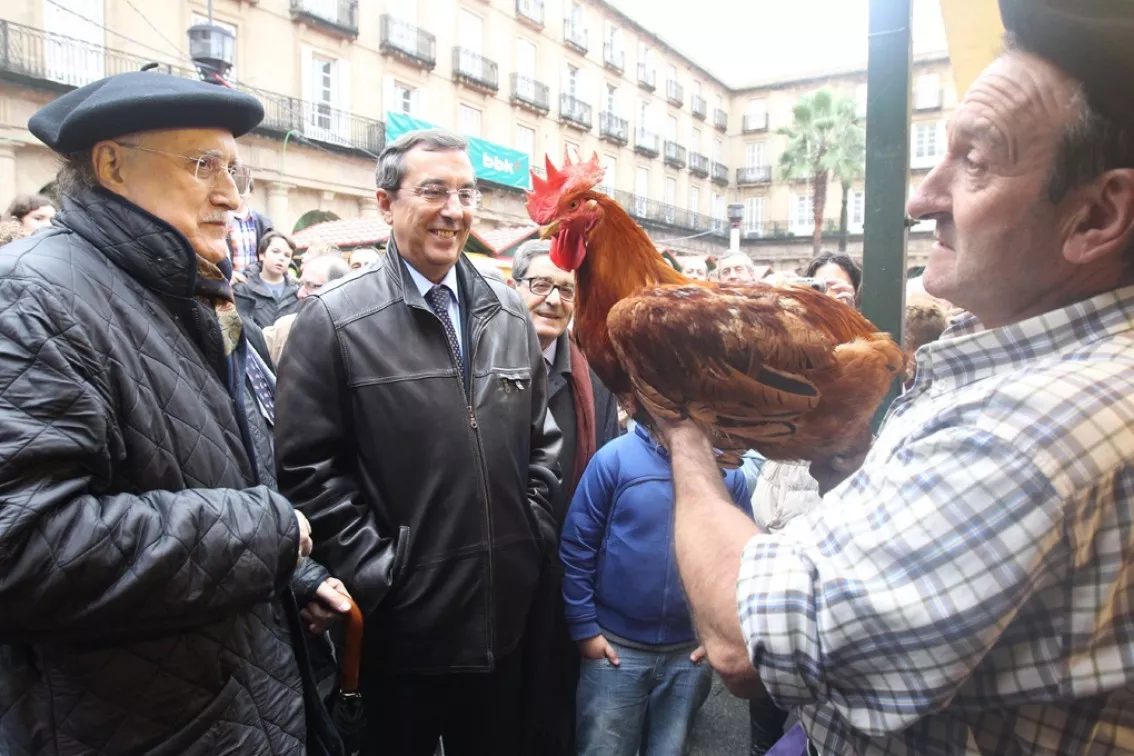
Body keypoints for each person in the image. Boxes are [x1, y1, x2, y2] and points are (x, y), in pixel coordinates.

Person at [654, 1, 1134, 752]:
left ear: (1097, 218)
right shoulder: (1043, 367)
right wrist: (859, 480)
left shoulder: (1034, 428)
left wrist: (680, 427)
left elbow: (745, 642)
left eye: (976, 160)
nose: (922, 197)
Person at [0, 69, 347, 756]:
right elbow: (25, 548)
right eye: (203, 165)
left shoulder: (181, 291)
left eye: (237, 173)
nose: (231, 195)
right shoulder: (34, 296)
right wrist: (270, 535)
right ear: (111, 165)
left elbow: (199, 470)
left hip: (219, 706)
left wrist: (292, 572)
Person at [275, 128, 562, 756]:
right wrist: (382, 573)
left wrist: (529, 535)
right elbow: (306, 468)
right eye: (434, 191)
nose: (454, 211)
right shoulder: (333, 320)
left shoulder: (510, 312)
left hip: (501, 622)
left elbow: (544, 440)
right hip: (398, 632)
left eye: (467, 194)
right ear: (385, 204)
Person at [560, 424, 750, 756]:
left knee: (670, 749)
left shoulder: (727, 475)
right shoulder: (615, 460)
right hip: (616, 649)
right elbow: (578, 547)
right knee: (603, 747)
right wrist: (584, 628)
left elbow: (743, 561)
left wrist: (720, 635)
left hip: (688, 655)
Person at [508, 239, 621, 755]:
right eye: (539, 285)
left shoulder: (593, 378)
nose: (553, 299)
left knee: (554, 705)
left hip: (565, 574)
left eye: (565, 289)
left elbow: (605, 477)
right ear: (515, 289)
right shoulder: (481, 364)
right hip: (502, 570)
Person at [263, 252, 350, 364]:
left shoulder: (357, 339)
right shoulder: (283, 329)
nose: (300, 294)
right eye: (301, 284)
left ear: (338, 288)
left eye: (310, 285)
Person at [234, 230, 302, 328]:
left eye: (287, 255)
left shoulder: (298, 292)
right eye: (275, 252)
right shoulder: (243, 290)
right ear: (262, 254)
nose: (281, 258)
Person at [227, 183, 274, 274]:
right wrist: (227, 274)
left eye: (242, 187)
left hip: (256, 284)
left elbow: (276, 251)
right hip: (227, 284)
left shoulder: (263, 223)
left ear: (250, 193)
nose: (238, 191)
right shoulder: (217, 221)